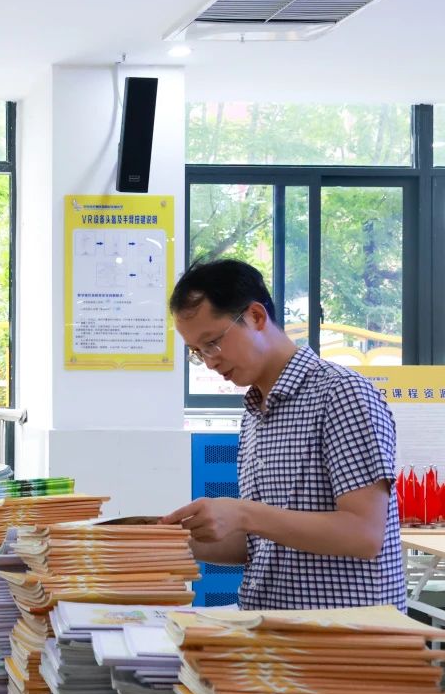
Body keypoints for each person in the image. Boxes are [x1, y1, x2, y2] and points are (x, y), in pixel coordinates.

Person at [160, 259, 405, 611]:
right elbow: (263, 544)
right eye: (198, 353)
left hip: (343, 635)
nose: (210, 361)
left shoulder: (341, 393)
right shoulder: (255, 412)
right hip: (273, 628)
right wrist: (161, 538)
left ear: (256, 317)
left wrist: (243, 514)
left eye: (212, 342)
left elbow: (364, 534)